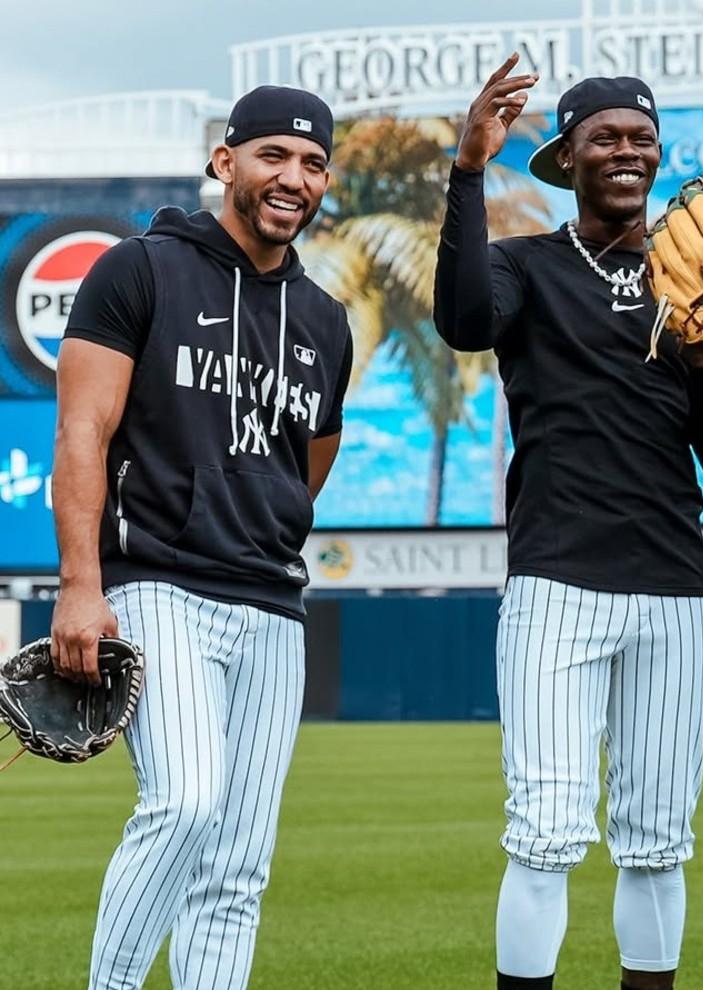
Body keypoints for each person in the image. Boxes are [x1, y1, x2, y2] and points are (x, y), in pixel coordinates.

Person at [434, 57, 703, 990]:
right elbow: (462, 321)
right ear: (566, 154)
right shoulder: (526, 266)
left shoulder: (699, 275)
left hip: (670, 587)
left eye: (642, 139)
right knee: (544, 832)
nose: (627, 152)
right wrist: (465, 171)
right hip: (556, 583)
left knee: (657, 842)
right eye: (606, 137)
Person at [51, 85, 353, 990]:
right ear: (227, 162)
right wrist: (79, 584)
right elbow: (80, 435)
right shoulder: (138, 270)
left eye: (309, 164)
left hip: (270, 603)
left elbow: (309, 464)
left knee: (237, 865)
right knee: (183, 803)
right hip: (157, 583)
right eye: (271, 156)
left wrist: (255, 508)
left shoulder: (328, 323)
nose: (290, 178)